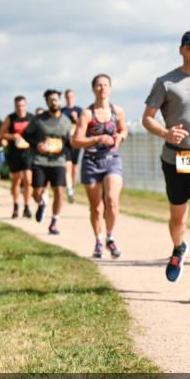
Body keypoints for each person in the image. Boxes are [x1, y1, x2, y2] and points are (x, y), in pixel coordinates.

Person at [143, 29, 190, 301]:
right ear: (181, 50)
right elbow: (147, 118)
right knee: (178, 219)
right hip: (174, 157)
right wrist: (165, 133)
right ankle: (178, 247)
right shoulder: (166, 82)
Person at [73, 74, 127, 258]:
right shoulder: (87, 114)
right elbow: (76, 141)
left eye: (105, 85)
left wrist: (120, 136)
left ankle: (110, 238)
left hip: (112, 159)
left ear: (110, 88)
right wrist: (97, 138)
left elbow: (123, 129)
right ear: (93, 89)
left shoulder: (117, 111)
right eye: (99, 85)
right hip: (91, 161)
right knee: (96, 207)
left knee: (112, 200)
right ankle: (98, 240)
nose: (102, 88)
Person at [23, 89, 73, 234]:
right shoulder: (39, 119)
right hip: (40, 160)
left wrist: (66, 154)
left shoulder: (66, 121)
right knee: (36, 192)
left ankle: (54, 222)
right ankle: (42, 203)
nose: (54, 102)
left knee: (59, 191)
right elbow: (26, 135)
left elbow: (69, 143)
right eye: (51, 100)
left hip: (58, 161)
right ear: (47, 102)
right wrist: (37, 144)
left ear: (60, 101)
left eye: (56, 99)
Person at [0, 96, 34, 218]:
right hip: (14, 153)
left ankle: (27, 206)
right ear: (15, 106)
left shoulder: (31, 118)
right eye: (18, 106)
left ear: (26, 105)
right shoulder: (10, 118)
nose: (20, 108)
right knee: (16, 180)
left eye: (22, 105)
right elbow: (2, 134)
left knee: (28, 180)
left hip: (28, 152)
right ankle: (15, 206)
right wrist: (13, 136)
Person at [63, 88, 84, 203]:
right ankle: (69, 190)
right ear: (65, 98)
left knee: (74, 169)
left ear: (74, 97)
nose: (69, 98)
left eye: (71, 96)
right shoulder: (62, 111)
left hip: (76, 142)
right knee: (67, 167)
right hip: (66, 142)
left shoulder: (79, 110)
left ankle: (73, 189)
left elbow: (83, 125)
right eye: (67, 97)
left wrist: (76, 119)